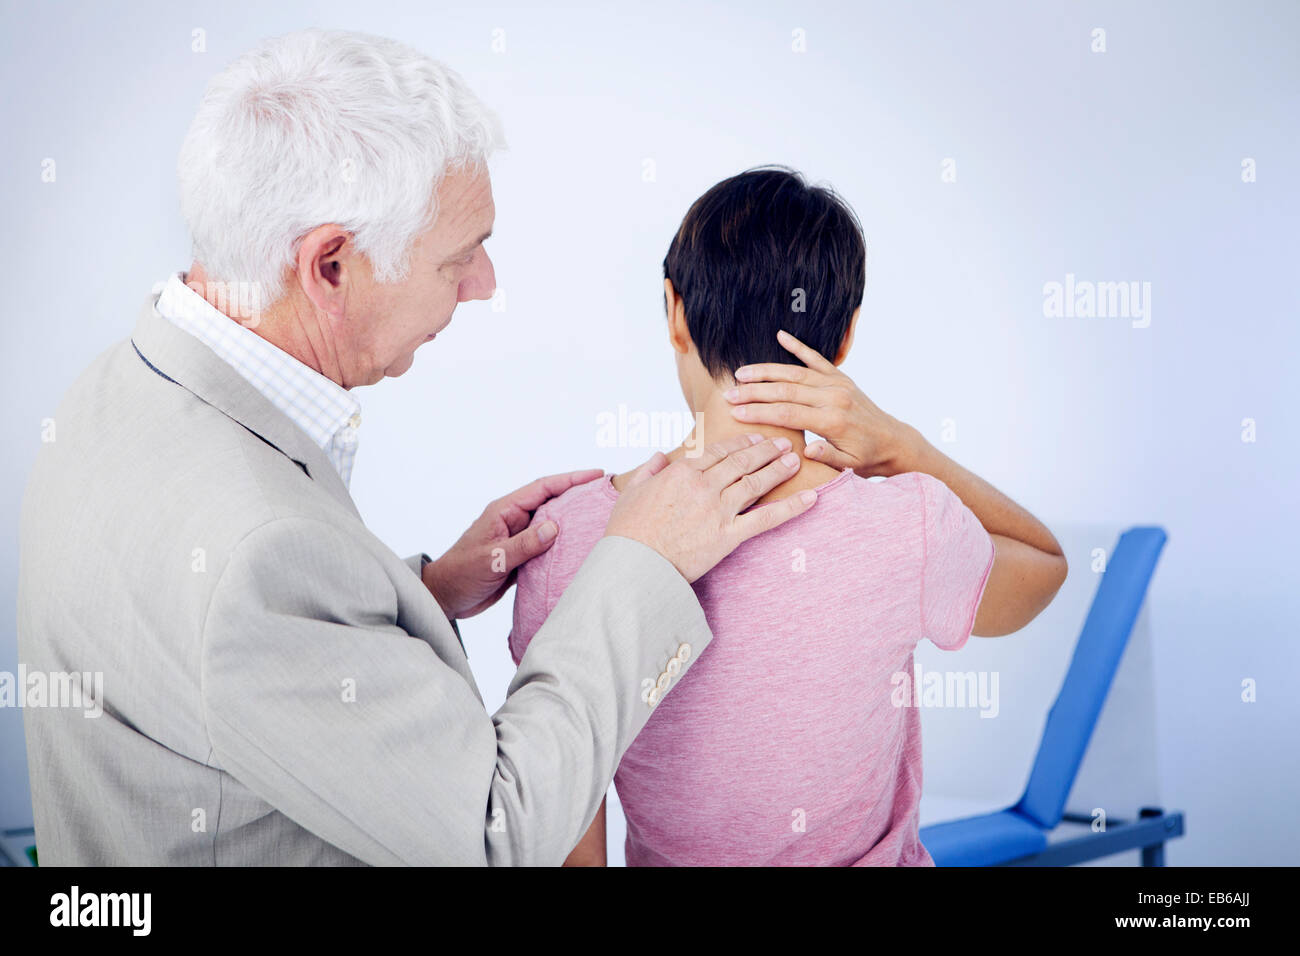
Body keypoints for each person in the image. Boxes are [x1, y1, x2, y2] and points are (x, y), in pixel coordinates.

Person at [15, 31, 819, 866]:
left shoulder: (117, 387)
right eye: (458, 257)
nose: (486, 284)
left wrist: (415, 593)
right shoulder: (259, 555)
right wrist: (641, 564)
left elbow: (215, 651)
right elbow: (492, 832)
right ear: (330, 266)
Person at [508, 167, 1069, 865]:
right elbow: (1045, 565)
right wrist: (904, 446)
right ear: (844, 340)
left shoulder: (561, 540)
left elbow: (567, 836)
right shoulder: (908, 524)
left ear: (674, 312)